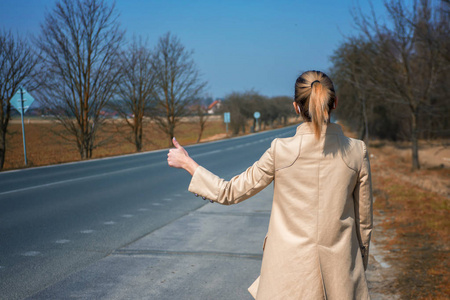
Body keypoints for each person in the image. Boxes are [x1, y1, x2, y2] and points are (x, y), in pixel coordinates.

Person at [167, 70, 373, 300]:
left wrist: (187, 163)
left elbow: (229, 192)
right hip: (342, 274)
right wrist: (357, 267)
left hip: (288, 278)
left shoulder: (280, 150)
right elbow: (364, 224)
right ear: (334, 103)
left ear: (296, 107)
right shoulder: (357, 151)